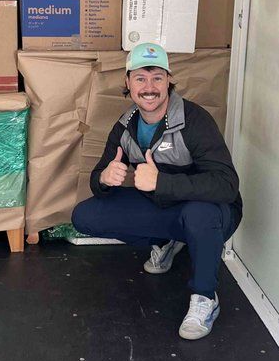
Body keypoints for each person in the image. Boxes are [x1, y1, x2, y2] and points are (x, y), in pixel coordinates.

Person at [72, 43, 242, 340]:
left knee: (198, 214)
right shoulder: (125, 127)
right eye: (140, 78)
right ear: (127, 82)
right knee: (85, 216)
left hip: (213, 214)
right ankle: (165, 242)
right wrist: (104, 179)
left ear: (168, 80)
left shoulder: (195, 121)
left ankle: (205, 298)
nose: (149, 87)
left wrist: (162, 183)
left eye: (157, 78)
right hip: (166, 209)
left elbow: (227, 185)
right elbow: (98, 180)